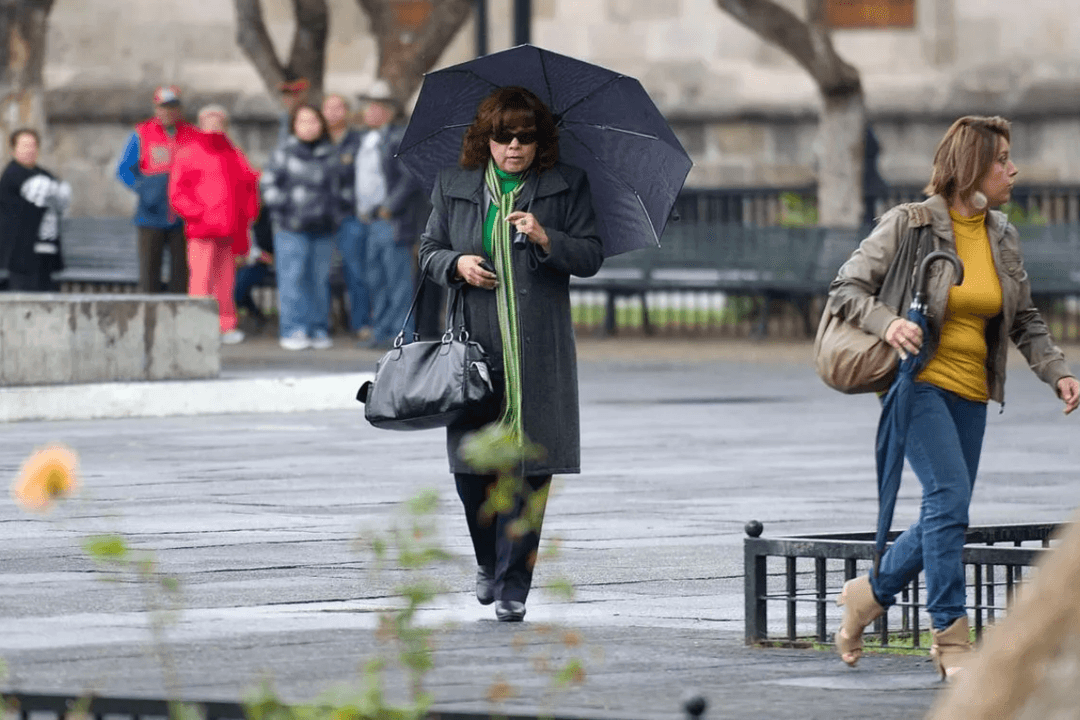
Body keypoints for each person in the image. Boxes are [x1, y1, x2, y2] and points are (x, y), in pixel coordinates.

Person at [828, 115, 1080, 679]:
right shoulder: (910, 224)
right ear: (971, 168)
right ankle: (951, 640)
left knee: (949, 507)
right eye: (1001, 160)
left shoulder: (1001, 234)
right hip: (915, 383)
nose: (1012, 169)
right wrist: (889, 323)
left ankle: (866, 596)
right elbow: (846, 287)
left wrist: (1057, 372)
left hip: (971, 390)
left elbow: (1026, 319)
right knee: (948, 498)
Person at [418, 86, 604, 622]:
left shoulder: (565, 185)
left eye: (525, 137)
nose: (514, 147)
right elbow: (428, 250)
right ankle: (487, 561)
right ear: (487, 140)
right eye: (504, 137)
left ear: (540, 142)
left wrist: (548, 239)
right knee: (472, 470)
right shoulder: (454, 186)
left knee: (530, 468)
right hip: (474, 350)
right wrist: (457, 265)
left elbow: (590, 254)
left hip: (537, 351)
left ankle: (514, 584)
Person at [168, 104, 260, 345]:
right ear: (200, 124)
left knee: (225, 281)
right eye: (209, 122)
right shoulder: (188, 153)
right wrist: (199, 214)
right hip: (203, 229)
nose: (214, 127)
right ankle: (199, 326)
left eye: (218, 122)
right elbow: (178, 193)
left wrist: (248, 215)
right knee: (201, 280)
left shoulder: (234, 154)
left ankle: (225, 325)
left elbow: (248, 185)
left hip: (229, 229)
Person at [260, 103, 341, 351]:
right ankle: (293, 328)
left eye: (314, 121)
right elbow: (268, 186)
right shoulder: (283, 152)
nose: (309, 126)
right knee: (292, 278)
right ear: (294, 125)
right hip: (291, 228)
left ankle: (317, 328)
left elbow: (339, 189)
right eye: (303, 121)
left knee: (318, 280)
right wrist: (292, 204)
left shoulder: (330, 154)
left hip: (323, 228)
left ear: (322, 125)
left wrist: (333, 210)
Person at [355, 80, 426, 350]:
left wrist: (389, 206)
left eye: (375, 107)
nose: (369, 112)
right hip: (371, 218)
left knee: (397, 279)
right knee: (377, 278)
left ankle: (402, 333)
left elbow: (409, 178)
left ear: (387, 111)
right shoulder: (370, 139)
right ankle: (382, 329)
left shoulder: (398, 137)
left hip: (391, 220)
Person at [116, 85, 199, 293]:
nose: (168, 112)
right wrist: (144, 188)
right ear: (155, 108)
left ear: (180, 109)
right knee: (149, 274)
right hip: (150, 215)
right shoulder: (142, 133)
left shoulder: (193, 134)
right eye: (163, 107)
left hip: (183, 215)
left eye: (173, 107)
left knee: (182, 274)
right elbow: (124, 170)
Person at [322, 92, 372, 341]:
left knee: (356, 271)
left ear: (347, 111)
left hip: (351, 215)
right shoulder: (315, 140)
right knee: (321, 273)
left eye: (338, 107)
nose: (333, 112)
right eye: (328, 108)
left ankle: (361, 322)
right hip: (319, 217)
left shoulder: (358, 140)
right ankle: (324, 323)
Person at [0, 128, 71, 291]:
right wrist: (55, 190)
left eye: (33, 145)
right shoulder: (12, 174)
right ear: (13, 150)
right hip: (19, 259)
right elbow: (42, 190)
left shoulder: (44, 174)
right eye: (24, 145)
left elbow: (65, 198)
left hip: (46, 255)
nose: (30, 150)